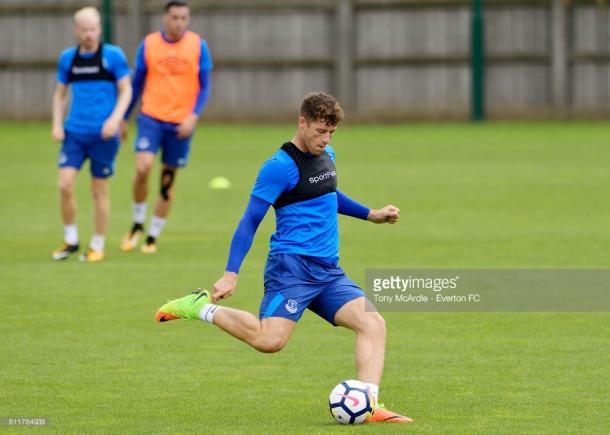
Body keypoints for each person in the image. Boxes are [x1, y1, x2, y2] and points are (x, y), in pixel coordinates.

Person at [155, 92, 413, 423]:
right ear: (302, 122)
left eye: (331, 132)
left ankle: (368, 403)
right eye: (320, 131)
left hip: (328, 271)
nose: (326, 139)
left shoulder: (327, 153)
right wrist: (231, 273)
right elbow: (249, 221)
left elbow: (329, 194)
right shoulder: (278, 168)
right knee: (269, 341)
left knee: (373, 323)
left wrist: (371, 214)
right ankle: (199, 307)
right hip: (291, 269)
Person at [120, 0, 213, 254]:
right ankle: (137, 222)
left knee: (166, 183)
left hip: (180, 125)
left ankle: (152, 236)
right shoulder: (149, 44)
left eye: (184, 18)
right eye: (175, 17)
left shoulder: (198, 45)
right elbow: (137, 84)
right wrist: (123, 118)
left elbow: (204, 86)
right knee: (143, 167)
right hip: (151, 118)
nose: (179, 22)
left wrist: (193, 116)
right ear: (164, 18)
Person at [51, 7, 132, 262]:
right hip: (75, 132)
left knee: (99, 189)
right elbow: (60, 94)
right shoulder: (68, 59)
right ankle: (71, 240)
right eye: (84, 30)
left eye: (93, 29)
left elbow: (126, 91)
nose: (89, 34)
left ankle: (97, 244)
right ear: (76, 30)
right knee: (64, 185)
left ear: (99, 28)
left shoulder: (113, 56)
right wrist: (57, 123)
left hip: (104, 135)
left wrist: (115, 120)